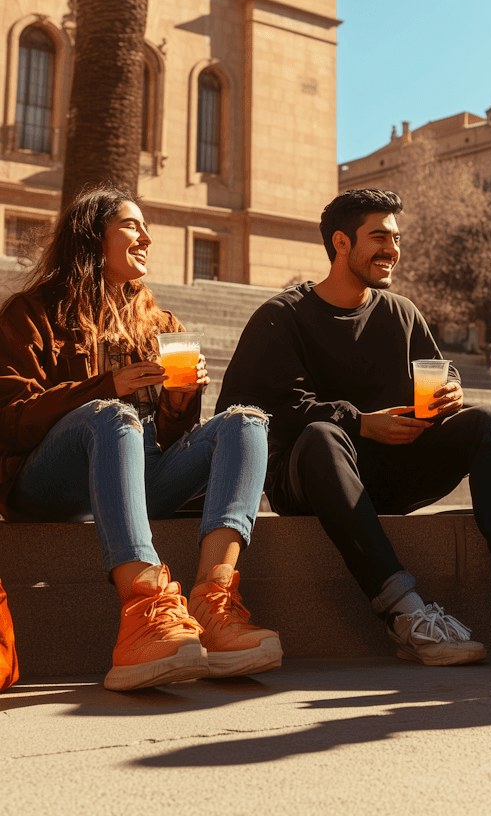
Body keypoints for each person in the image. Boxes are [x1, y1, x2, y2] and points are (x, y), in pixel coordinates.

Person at [216, 188, 491, 666]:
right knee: (323, 435)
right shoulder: (281, 316)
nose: (393, 248)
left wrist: (450, 391)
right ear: (342, 243)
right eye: (380, 237)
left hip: (393, 472)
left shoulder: (401, 313)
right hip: (311, 478)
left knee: (486, 422)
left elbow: (437, 371)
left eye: (396, 237)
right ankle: (405, 612)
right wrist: (359, 423)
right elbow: (248, 412)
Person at [0, 186, 281, 690]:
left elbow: (172, 438)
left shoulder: (160, 324)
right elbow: (9, 418)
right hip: (44, 487)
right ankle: (142, 613)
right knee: (113, 416)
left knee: (247, 421)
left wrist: (178, 401)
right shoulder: (31, 314)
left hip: (137, 478)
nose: (146, 237)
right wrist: (106, 387)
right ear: (92, 237)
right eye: (131, 225)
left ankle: (213, 604)